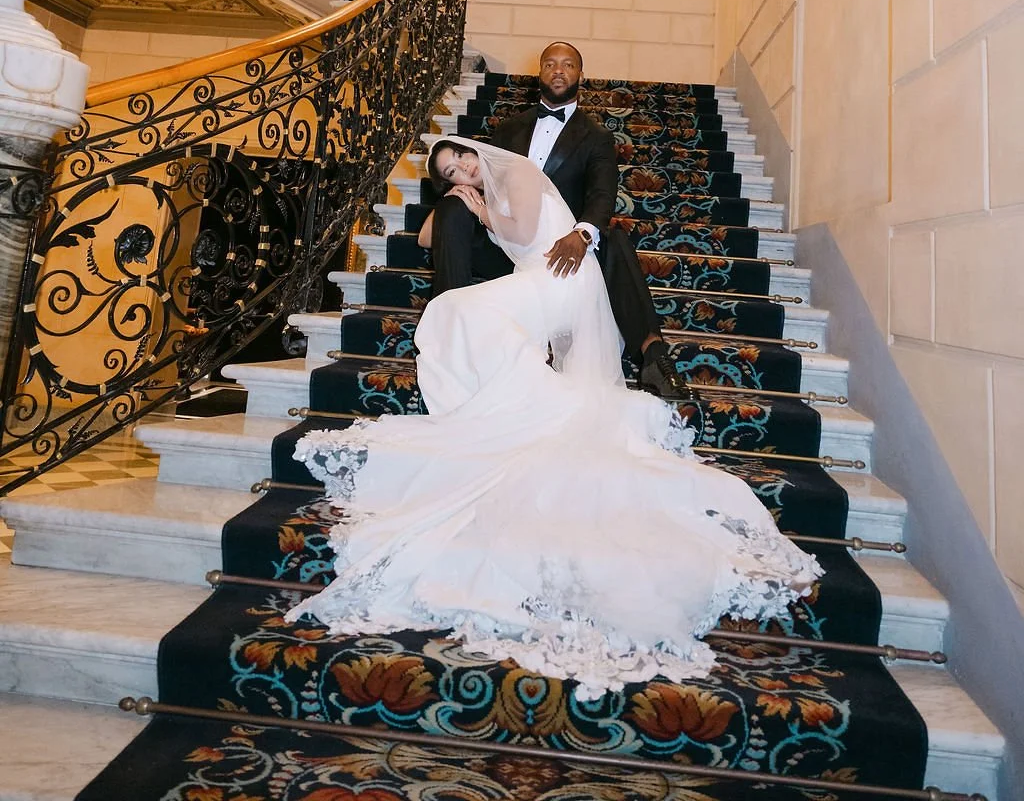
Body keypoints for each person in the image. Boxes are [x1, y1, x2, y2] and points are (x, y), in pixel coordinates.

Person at [288, 137, 820, 695]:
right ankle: (489, 402)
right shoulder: (476, 188)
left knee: (459, 309)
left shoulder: (514, 172)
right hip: (537, 280)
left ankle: (502, 402)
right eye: (449, 171)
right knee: (457, 310)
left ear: (476, 151)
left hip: (562, 279)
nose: (462, 170)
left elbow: (518, 234)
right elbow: (425, 237)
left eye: (463, 160)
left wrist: (480, 206)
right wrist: (456, 200)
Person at [418, 41, 687, 400]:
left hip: (561, 246)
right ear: (539, 72)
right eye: (550, 64)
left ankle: (654, 355)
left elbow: (602, 195)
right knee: (452, 208)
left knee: (615, 240)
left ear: (579, 74)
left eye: (568, 65)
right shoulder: (509, 130)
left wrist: (582, 232)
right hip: (510, 245)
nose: (558, 71)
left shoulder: (597, 137)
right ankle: (451, 325)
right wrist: (458, 197)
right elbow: (483, 177)